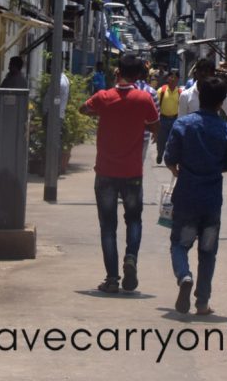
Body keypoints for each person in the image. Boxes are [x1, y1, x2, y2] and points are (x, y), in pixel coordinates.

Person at [80, 53, 159, 293]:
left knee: (108, 226)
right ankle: (131, 257)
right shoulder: (144, 98)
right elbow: (155, 124)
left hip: (105, 172)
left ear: (117, 72)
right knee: (134, 220)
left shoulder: (104, 97)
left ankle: (112, 279)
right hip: (133, 173)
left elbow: (84, 109)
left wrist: (103, 112)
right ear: (139, 75)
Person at [164, 77, 227, 315]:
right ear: (221, 103)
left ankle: (184, 276)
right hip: (212, 202)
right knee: (208, 253)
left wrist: (177, 167)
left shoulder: (183, 125)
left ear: (199, 97)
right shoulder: (225, 130)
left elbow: (170, 157)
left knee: (179, 245)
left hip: (186, 198)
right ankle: (202, 303)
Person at [178, 58, 227, 136]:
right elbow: (180, 124)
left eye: (207, 72)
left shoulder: (218, 93)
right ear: (196, 73)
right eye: (201, 71)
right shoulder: (185, 95)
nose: (203, 74)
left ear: (212, 75)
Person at [134, 65, 160, 164]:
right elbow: (156, 115)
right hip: (144, 134)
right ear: (147, 75)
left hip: (127, 134)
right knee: (139, 163)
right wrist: (156, 132)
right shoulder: (152, 92)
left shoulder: (129, 89)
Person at [156, 71, 182, 164]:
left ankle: (170, 159)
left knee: (173, 141)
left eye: (175, 77)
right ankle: (160, 154)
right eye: (171, 77)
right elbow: (155, 106)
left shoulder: (180, 92)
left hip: (175, 120)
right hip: (162, 119)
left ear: (178, 80)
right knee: (161, 140)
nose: (173, 79)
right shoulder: (161, 91)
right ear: (168, 78)